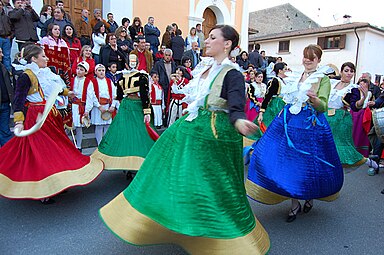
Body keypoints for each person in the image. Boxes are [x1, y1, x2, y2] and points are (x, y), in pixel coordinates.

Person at [99, 24, 270, 254]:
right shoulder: (204, 68)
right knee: (170, 174)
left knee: (216, 186)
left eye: (212, 37)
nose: (206, 41)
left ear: (227, 44)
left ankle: (223, 238)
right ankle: (176, 223)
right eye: (207, 37)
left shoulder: (232, 73)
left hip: (214, 135)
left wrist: (239, 121)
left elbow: (236, 104)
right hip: (190, 129)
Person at [246, 44, 344, 223]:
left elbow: (323, 106)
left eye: (311, 57)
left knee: (309, 163)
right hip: (290, 121)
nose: (307, 60)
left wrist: (314, 99)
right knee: (287, 161)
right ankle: (294, 203)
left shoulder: (323, 79)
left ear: (318, 60)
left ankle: (309, 196)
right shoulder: (297, 75)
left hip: (311, 125)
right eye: (305, 56)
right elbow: (288, 98)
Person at [0, 44, 103, 203]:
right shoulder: (26, 76)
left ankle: (58, 182)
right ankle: (44, 191)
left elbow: (54, 89)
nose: (46, 58)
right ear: (34, 58)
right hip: (36, 117)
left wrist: (68, 93)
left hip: (49, 115)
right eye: (43, 56)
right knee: (43, 153)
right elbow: (18, 99)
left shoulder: (44, 73)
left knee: (58, 149)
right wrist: (19, 121)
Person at [91, 54, 156, 176]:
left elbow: (119, 96)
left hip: (126, 105)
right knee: (140, 134)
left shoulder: (122, 78)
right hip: (137, 105)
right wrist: (147, 111)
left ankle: (127, 164)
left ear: (126, 64)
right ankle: (139, 162)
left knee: (127, 134)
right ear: (136, 64)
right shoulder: (142, 76)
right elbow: (145, 95)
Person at [326, 62, 378, 170]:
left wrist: (362, 98)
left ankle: (367, 161)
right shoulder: (331, 83)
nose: (349, 73)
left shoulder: (353, 88)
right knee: (323, 146)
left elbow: (355, 106)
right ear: (341, 72)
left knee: (342, 149)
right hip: (325, 117)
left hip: (340, 120)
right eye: (346, 71)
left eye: (352, 71)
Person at [84, 64, 117, 145]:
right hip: (98, 107)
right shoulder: (93, 82)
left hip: (107, 106)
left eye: (103, 70)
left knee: (107, 126)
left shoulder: (109, 81)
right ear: (95, 72)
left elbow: (114, 94)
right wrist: (99, 106)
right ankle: (99, 144)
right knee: (99, 126)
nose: (101, 72)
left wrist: (113, 105)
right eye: (99, 70)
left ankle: (106, 144)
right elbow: (92, 95)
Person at [70, 61, 92, 151]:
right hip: (71, 106)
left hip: (80, 106)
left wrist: (87, 110)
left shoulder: (88, 82)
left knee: (79, 127)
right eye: (78, 69)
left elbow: (90, 96)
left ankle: (78, 146)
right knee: (69, 126)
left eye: (81, 70)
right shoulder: (72, 80)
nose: (79, 71)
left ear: (86, 72)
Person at [351, 78, 372, 157]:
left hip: (362, 114)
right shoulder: (355, 91)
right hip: (354, 113)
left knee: (360, 131)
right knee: (352, 131)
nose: (362, 86)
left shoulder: (369, 93)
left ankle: (360, 151)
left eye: (364, 85)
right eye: (361, 84)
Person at [0, 47, 13, 146]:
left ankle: (6, 155)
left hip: (5, 104)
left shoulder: (3, 67)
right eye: (0, 52)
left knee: (5, 132)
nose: (2, 55)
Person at [0, 1, 12, 72]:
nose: (0, 6)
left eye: (1, 5)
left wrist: (11, 35)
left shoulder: (6, 16)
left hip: (6, 38)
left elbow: (11, 26)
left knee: (7, 57)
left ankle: (7, 73)